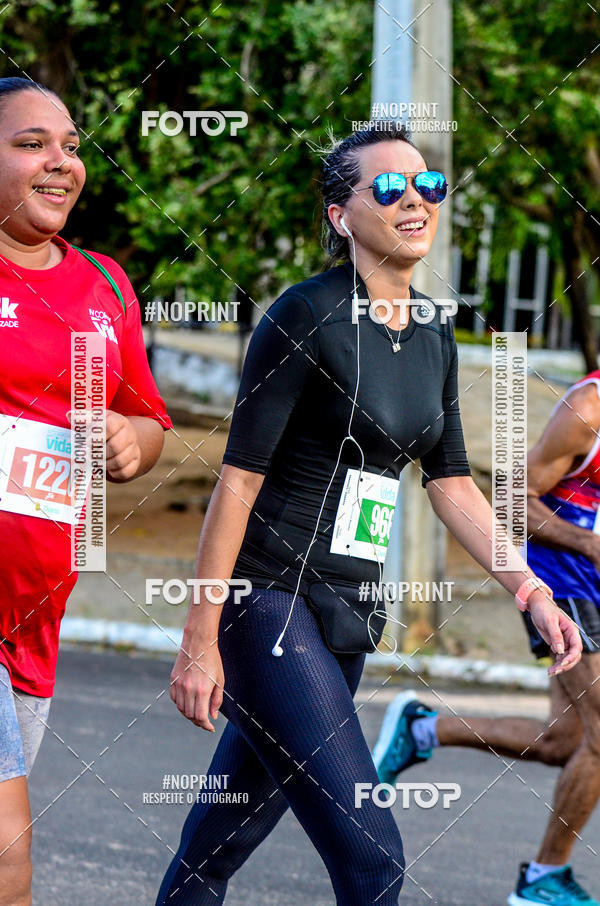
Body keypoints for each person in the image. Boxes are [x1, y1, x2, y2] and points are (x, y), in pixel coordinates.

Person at [157, 123, 581, 906]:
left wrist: (530, 590)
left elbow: (451, 482)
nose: (415, 199)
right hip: (269, 599)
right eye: (388, 188)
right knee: (372, 857)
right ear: (340, 216)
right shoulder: (304, 316)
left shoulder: (432, 329)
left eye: (428, 185)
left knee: (217, 845)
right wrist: (200, 635)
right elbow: (238, 482)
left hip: (349, 607)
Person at [0, 77, 172, 906]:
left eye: (69, 145)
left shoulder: (104, 284)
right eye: (31, 143)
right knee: (8, 849)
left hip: (37, 613)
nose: (60, 162)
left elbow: (149, 423)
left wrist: (124, 442)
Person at [373, 371, 600, 905]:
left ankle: (424, 729)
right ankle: (544, 879)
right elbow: (513, 501)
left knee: (564, 742)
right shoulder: (587, 410)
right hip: (564, 579)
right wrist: (588, 545)